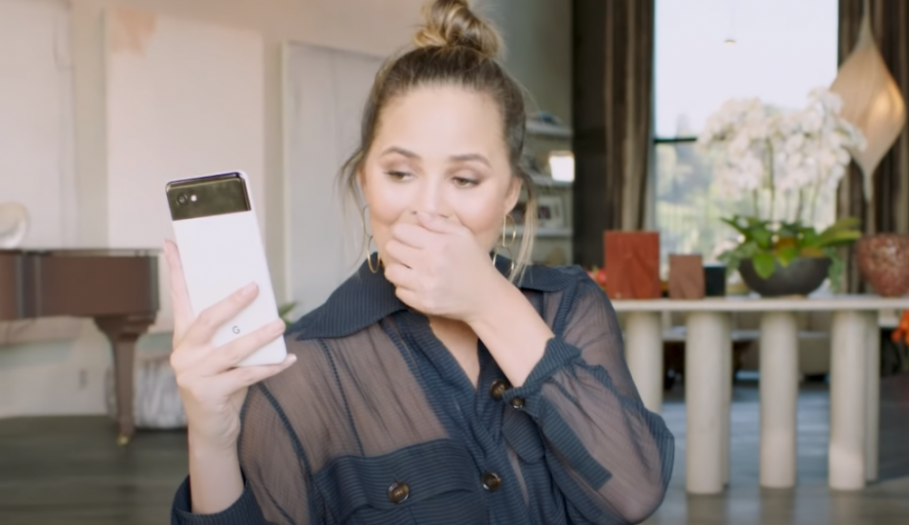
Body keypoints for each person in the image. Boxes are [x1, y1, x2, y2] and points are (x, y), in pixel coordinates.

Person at [167, 0, 674, 523]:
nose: (428, 209)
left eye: (464, 179)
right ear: (365, 181)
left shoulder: (568, 306)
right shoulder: (301, 372)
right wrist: (210, 439)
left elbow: (633, 493)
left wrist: (489, 304)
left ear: (510, 195)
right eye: (400, 173)